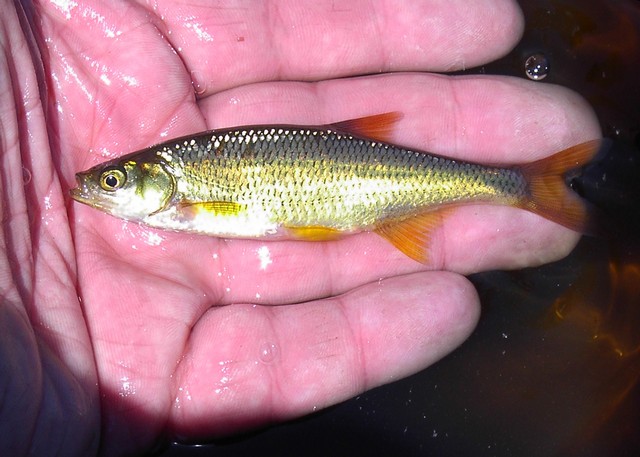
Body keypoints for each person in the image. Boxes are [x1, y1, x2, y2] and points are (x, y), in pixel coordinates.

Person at [0, 1, 601, 455]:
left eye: (114, 182)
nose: (101, 188)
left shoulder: (185, 178)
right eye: (112, 182)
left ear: (155, 180)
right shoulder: (181, 176)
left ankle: (523, 184)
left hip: (360, 190)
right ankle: (525, 185)